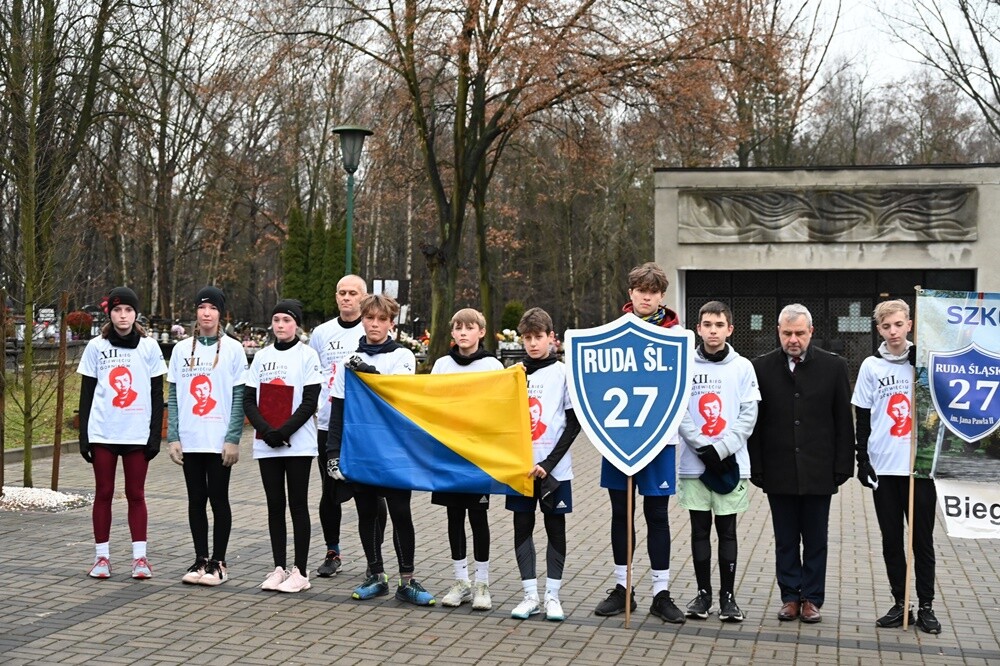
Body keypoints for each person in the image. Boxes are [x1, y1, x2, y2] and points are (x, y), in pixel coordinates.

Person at [326, 294, 435, 606]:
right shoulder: (348, 359)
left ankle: (407, 581)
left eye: (381, 319)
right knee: (368, 512)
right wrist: (333, 453)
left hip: (395, 448)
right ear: (362, 319)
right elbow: (339, 410)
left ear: (391, 323)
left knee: (401, 511)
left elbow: (394, 396)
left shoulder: (402, 356)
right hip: (361, 449)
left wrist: (368, 373)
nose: (374, 325)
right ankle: (376, 575)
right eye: (369, 318)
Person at [748, 303, 854, 623]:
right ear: (778, 332)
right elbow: (755, 423)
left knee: (816, 538)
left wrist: (843, 465)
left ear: (811, 332)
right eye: (787, 333)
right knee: (785, 539)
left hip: (819, 469)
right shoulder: (761, 368)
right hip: (778, 469)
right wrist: (757, 466)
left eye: (799, 333)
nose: (793, 339)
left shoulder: (835, 367)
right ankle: (790, 596)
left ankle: (812, 598)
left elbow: (842, 422)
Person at [594, 262, 685, 623]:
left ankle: (661, 593)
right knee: (621, 513)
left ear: (662, 295)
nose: (646, 296)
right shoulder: (613, 332)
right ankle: (623, 588)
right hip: (619, 437)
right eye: (640, 290)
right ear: (630, 293)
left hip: (661, 440)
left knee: (657, 515)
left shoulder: (677, 335)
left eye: (653, 291)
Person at [851, 299, 941, 634]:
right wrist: (862, 459)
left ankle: (927, 605)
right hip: (885, 466)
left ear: (910, 325)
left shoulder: (924, 362)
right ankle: (901, 603)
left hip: (919, 468)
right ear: (879, 329)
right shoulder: (871, 366)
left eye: (899, 325)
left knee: (922, 541)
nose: (893, 332)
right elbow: (862, 415)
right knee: (892, 539)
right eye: (886, 326)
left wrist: (924, 366)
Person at [677, 301, 760, 623]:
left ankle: (728, 598)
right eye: (707, 324)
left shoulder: (742, 367)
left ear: (730, 329)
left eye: (719, 325)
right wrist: (701, 447)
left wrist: (721, 450)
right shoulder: (685, 365)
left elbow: (748, 415)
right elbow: (679, 410)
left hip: (730, 464)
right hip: (693, 464)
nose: (713, 330)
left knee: (727, 532)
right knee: (699, 532)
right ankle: (703, 595)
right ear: (698, 329)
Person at [77, 286, 166, 579]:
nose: (123, 316)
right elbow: (87, 393)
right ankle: (101, 558)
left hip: (137, 435)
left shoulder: (149, 347)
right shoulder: (96, 347)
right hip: (103, 432)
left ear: (135, 313)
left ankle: (140, 559)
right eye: (117, 310)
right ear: (109, 314)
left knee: (135, 494)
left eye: (128, 310)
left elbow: (156, 393)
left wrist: (155, 435)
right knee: (103, 492)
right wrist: (84, 436)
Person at [166, 286, 248, 586]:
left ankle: (219, 562)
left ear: (220, 313)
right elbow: (173, 395)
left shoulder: (234, 349)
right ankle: (200, 558)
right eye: (202, 308)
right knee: (195, 500)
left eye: (212, 308)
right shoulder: (179, 350)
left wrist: (233, 438)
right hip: (190, 439)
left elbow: (239, 396)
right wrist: (173, 436)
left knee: (218, 499)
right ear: (196, 313)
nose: (206, 313)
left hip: (218, 440)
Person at [308, 275, 386, 578]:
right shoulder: (321, 332)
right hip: (330, 422)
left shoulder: (371, 327)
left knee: (375, 494)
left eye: (353, 293)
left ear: (364, 296)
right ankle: (332, 550)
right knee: (330, 491)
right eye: (341, 292)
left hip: (365, 425)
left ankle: (374, 559)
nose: (346, 298)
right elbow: (314, 374)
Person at [243, 298, 322, 593]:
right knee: (275, 505)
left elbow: (310, 400)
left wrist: (284, 430)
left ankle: (300, 571)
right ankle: (279, 567)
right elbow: (250, 400)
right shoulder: (262, 357)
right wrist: (267, 431)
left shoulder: (308, 356)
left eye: (287, 320)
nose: (281, 326)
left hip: (298, 443)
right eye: (276, 320)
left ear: (296, 324)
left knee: (297, 505)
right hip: (268, 443)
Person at [507, 307, 580, 622]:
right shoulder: (512, 374)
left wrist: (549, 464)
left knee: (555, 529)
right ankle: (529, 596)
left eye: (539, 337)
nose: (533, 343)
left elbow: (573, 424)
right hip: (520, 470)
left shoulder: (564, 373)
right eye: (527, 338)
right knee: (522, 528)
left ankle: (552, 596)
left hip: (555, 471)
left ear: (552, 338)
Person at [431, 308, 504, 611]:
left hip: (477, 455)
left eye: (469, 327)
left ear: (481, 332)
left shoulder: (492, 365)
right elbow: (430, 401)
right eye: (457, 327)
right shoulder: (442, 364)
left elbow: (501, 405)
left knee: (478, 518)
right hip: (449, 453)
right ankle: (460, 581)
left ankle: (482, 583)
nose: (462, 333)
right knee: (453, 517)